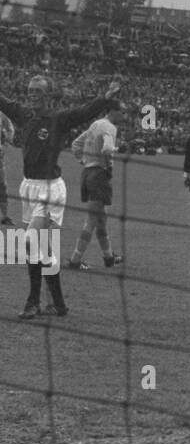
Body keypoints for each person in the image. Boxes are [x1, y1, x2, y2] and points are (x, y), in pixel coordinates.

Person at [0, 74, 121, 321]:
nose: (32, 94)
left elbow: (83, 112)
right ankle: (58, 304)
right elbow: (3, 102)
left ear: (48, 95)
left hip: (50, 189)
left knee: (30, 241)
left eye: (37, 91)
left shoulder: (58, 119)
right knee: (43, 247)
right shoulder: (24, 114)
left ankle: (33, 301)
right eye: (30, 90)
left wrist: (105, 98)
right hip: (29, 188)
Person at [66, 108, 124, 270]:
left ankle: (109, 257)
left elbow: (76, 144)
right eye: (123, 112)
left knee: (101, 218)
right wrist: (111, 160)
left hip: (87, 174)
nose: (124, 116)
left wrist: (83, 161)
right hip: (99, 175)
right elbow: (106, 149)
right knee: (92, 219)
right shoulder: (110, 127)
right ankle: (75, 260)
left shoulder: (95, 124)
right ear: (114, 111)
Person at [0, 111, 15, 227]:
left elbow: (10, 129)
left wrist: (5, 145)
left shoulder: (2, 115)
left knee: (3, 187)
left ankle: (4, 216)